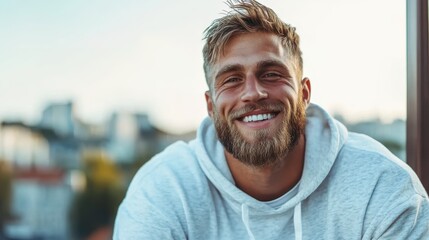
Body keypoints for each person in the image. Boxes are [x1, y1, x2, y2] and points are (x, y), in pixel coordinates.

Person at [113, 0, 429, 239]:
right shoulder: (163, 192)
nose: (253, 93)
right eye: (232, 80)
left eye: (271, 74)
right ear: (210, 106)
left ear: (305, 93)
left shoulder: (382, 187)